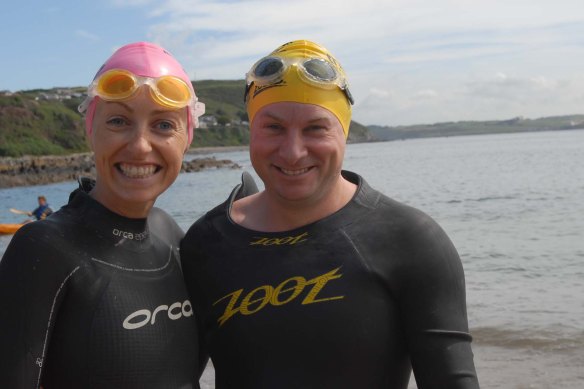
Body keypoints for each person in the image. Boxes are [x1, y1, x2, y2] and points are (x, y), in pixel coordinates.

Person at [181, 40, 480, 388]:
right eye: (273, 128)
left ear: (344, 134)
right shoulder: (205, 244)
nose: (293, 152)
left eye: (316, 128)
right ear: (252, 131)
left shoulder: (410, 239)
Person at [0, 41, 205, 388]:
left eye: (164, 125)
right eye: (118, 120)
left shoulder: (171, 235)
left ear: (187, 138)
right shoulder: (43, 249)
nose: (140, 145)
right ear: (90, 130)